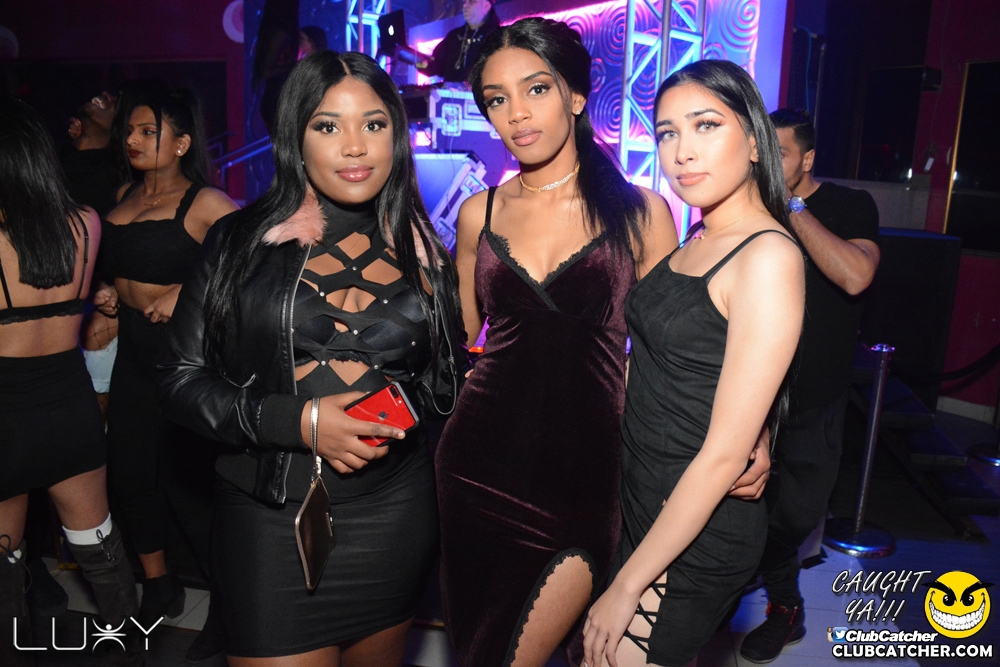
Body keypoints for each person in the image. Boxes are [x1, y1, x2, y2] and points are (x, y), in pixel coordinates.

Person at [436, 21, 770, 667]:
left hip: (587, 472)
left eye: (536, 89)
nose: (517, 112)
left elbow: (682, 348)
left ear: (576, 96)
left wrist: (755, 430)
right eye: (497, 99)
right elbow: (452, 341)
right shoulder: (480, 212)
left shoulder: (642, 212)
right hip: (475, 464)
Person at [158, 50, 465, 665]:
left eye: (374, 124)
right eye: (328, 125)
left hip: (394, 520)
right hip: (269, 521)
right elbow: (179, 381)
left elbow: (445, 388)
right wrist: (298, 421)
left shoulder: (426, 250)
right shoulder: (239, 242)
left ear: (397, 137)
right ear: (295, 137)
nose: (355, 146)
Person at [582, 60, 806, 667]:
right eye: (667, 132)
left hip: (694, 528)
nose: (682, 151)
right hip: (646, 500)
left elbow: (725, 456)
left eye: (706, 125)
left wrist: (629, 585)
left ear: (755, 141)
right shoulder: (702, 236)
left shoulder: (767, 256)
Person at [0, 95, 139, 667]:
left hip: (6, 418)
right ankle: (129, 654)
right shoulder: (85, 223)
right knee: (100, 549)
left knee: (5, 564)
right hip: (69, 410)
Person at [738, 108, 880, 664]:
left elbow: (855, 276)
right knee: (740, 503)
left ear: (808, 159)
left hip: (816, 397)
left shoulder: (848, 205)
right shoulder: (746, 208)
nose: (769, 166)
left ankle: (743, 576)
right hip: (752, 394)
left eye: (781, 154)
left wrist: (792, 208)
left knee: (795, 514)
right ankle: (783, 607)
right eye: (762, 154)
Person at [95, 84, 237, 625]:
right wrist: (108, 293)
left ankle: (228, 604)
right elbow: (122, 265)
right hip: (133, 350)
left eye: (148, 131)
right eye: (129, 131)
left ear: (181, 144)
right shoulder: (123, 195)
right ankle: (159, 584)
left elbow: (253, 259)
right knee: (130, 471)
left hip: (184, 355)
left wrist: (186, 291)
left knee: (189, 484)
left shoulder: (204, 201)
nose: (132, 139)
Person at [417, 0, 501, 83]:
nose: (465, 5)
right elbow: (437, 65)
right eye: (464, 1)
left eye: (472, 1)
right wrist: (424, 64)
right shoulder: (454, 36)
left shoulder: (500, 39)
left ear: (486, 5)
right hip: (451, 91)